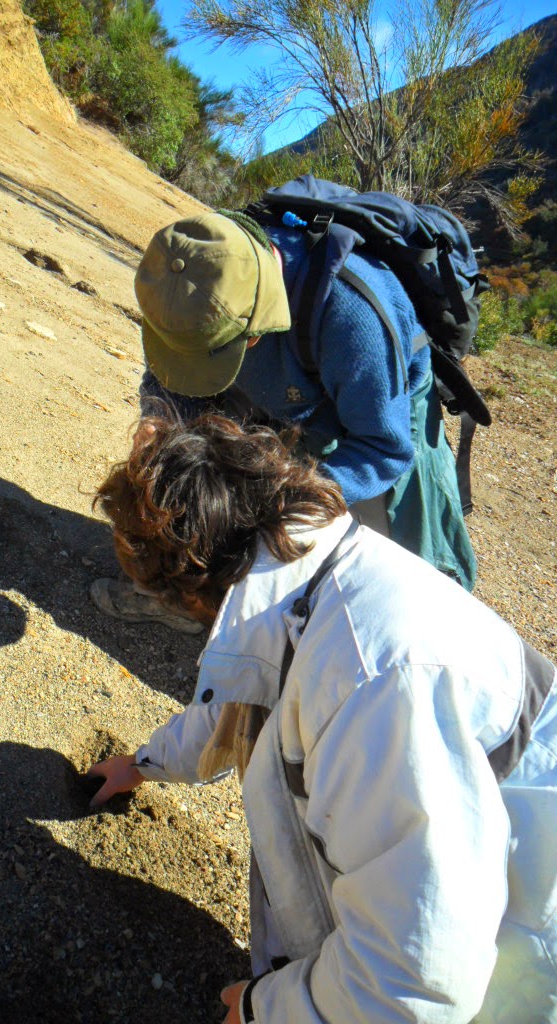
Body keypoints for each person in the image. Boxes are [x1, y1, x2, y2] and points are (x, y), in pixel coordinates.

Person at [88, 412, 557, 1024]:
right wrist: (143, 765)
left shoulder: (370, 679)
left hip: (522, 953)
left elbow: (412, 977)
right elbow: (233, 699)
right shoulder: (296, 565)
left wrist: (265, 1010)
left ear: (189, 593)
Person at [90, 205, 477, 632]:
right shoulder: (185, 284)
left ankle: (328, 654)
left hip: (377, 414)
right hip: (273, 385)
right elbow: (170, 374)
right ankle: (185, 597)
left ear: (256, 329)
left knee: (392, 581)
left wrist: (285, 501)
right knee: (185, 480)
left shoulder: (353, 318)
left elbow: (383, 449)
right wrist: (157, 435)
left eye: (215, 354)